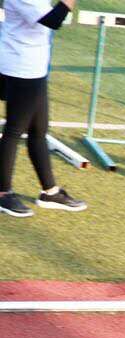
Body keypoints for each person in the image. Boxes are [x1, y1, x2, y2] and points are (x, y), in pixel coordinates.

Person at [0, 0, 87, 217]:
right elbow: (52, 20)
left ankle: (50, 192)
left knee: (39, 130)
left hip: (33, 66)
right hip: (21, 67)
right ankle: (2, 193)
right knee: (13, 131)